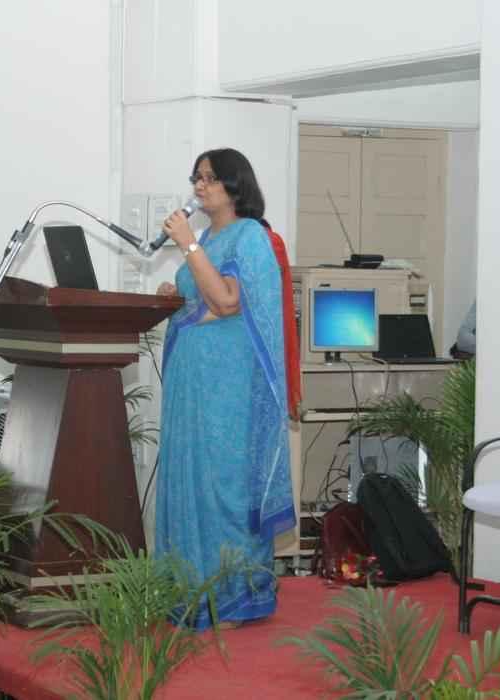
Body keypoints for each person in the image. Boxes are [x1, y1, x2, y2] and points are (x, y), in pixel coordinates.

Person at [154, 148, 295, 629]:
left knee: (224, 484)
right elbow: (202, 299)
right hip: (192, 382)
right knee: (191, 481)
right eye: (196, 177)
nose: (200, 186)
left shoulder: (250, 236)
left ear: (235, 185)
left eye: (210, 177)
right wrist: (174, 297)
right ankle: (189, 593)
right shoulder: (209, 239)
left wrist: (187, 246)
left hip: (228, 386)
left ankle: (233, 598)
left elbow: (228, 302)